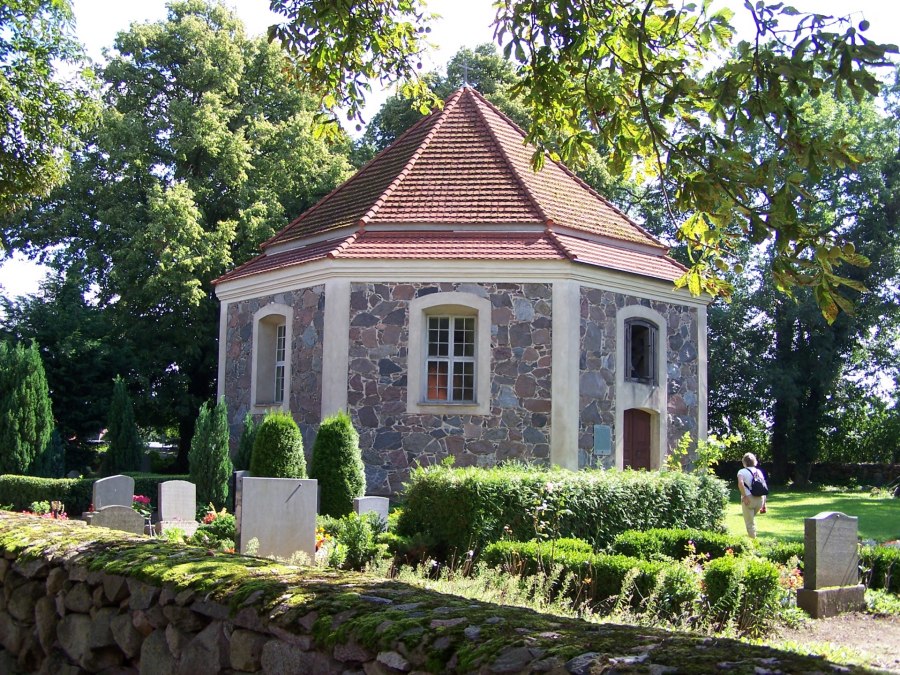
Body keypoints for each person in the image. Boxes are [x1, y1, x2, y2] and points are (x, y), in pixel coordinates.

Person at [737, 452, 767, 539]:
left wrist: (744, 496)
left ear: (744, 462)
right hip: (760, 499)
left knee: (749, 523)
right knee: (751, 520)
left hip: (749, 499)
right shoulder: (759, 471)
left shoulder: (741, 471)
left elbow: (740, 483)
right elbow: (763, 486)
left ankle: (753, 544)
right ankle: (753, 537)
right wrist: (764, 503)